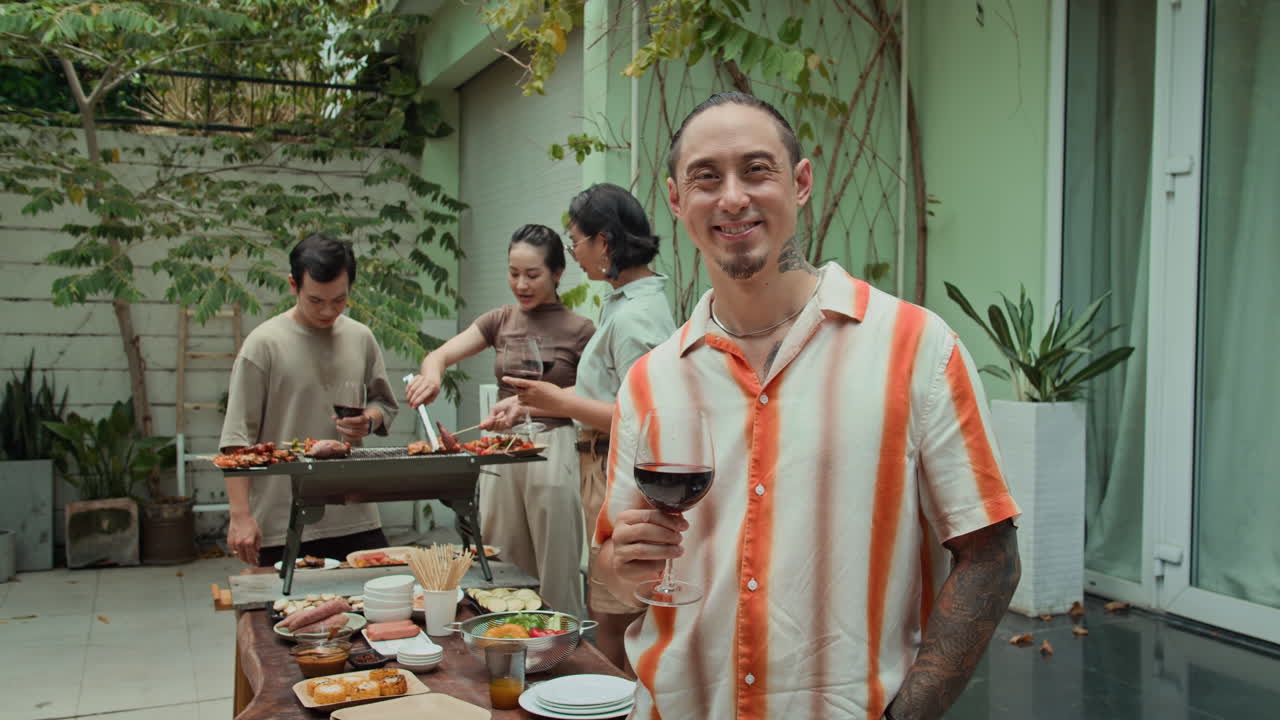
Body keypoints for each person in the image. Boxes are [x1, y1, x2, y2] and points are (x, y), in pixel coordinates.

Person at [593, 92, 1022, 719]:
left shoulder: (917, 349)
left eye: (756, 170)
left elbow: (991, 557)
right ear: (677, 201)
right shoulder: (649, 382)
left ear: (800, 183)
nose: (732, 196)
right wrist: (619, 566)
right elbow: (610, 584)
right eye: (706, 177)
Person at [487, 183, 676, 671]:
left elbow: (646, 416)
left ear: (605, 242)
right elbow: (607, 396)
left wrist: (554, 400)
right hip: (601, 465)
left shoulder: (636, 316)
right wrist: (530, 405)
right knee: (606, 607)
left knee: (614, 616)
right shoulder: (622, 301)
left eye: (577, 240)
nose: (574, 251)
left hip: (621, 474)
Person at [405, 224, 594, 618]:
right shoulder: (500, 320)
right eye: (513, 273)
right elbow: (438, 356)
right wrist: (432, 376)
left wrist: (533, 407)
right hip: (502, 450)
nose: (521, 284)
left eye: (532, 275)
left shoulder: (581, 330)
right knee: (499, 555)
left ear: (558, 273)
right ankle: (502, 636)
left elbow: (593, 398)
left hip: (552, 448)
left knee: (556, 564)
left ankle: (563, 647)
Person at [221, 233, 400, 567]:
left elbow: (385, 404)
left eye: (339, 300)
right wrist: (240, 515)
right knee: (276, 615)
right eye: (316, 300)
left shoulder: (361, 338)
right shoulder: (263, 345)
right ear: (293, 285)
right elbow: (236, 440)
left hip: (354, 513)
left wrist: (369, 421)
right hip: (281, 519)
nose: (328, 310)